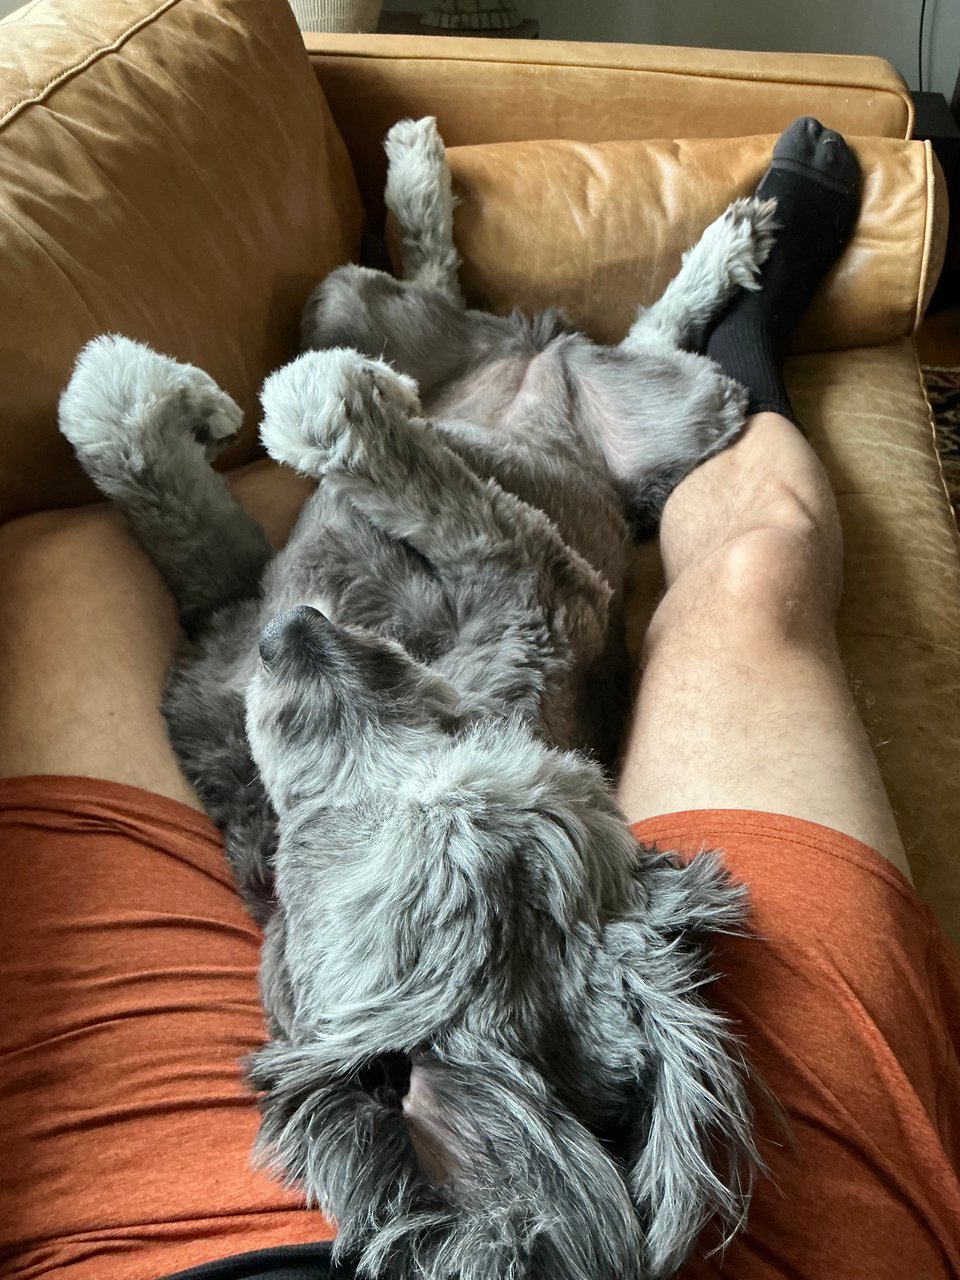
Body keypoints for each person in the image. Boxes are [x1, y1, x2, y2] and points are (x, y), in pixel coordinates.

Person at [0, 120, 957, 1280]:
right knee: (760, 571)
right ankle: (737, 326)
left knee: (60, 574)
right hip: (677, 1200)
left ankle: (411, 407)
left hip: (186, 1211)